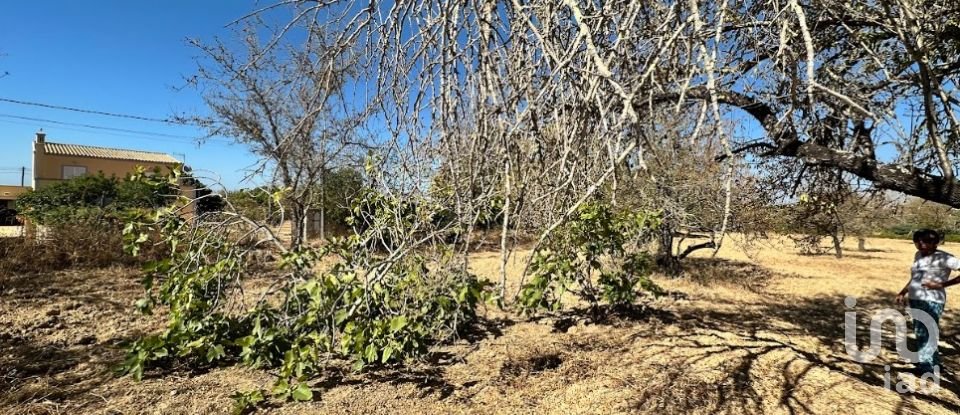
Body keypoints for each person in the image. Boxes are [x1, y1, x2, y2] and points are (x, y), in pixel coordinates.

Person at [896, 229, 960, 376]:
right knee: (921, 332)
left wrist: (941, 285)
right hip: (915, 298)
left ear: (935, 243)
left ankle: (926, 367)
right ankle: (933, 363)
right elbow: (916, 277)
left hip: (932, 299)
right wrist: (903, 292)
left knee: (926, 331)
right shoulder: (917, 255)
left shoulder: (945, 258)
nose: (921, 244)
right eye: (918, 241)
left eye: (926, 241)